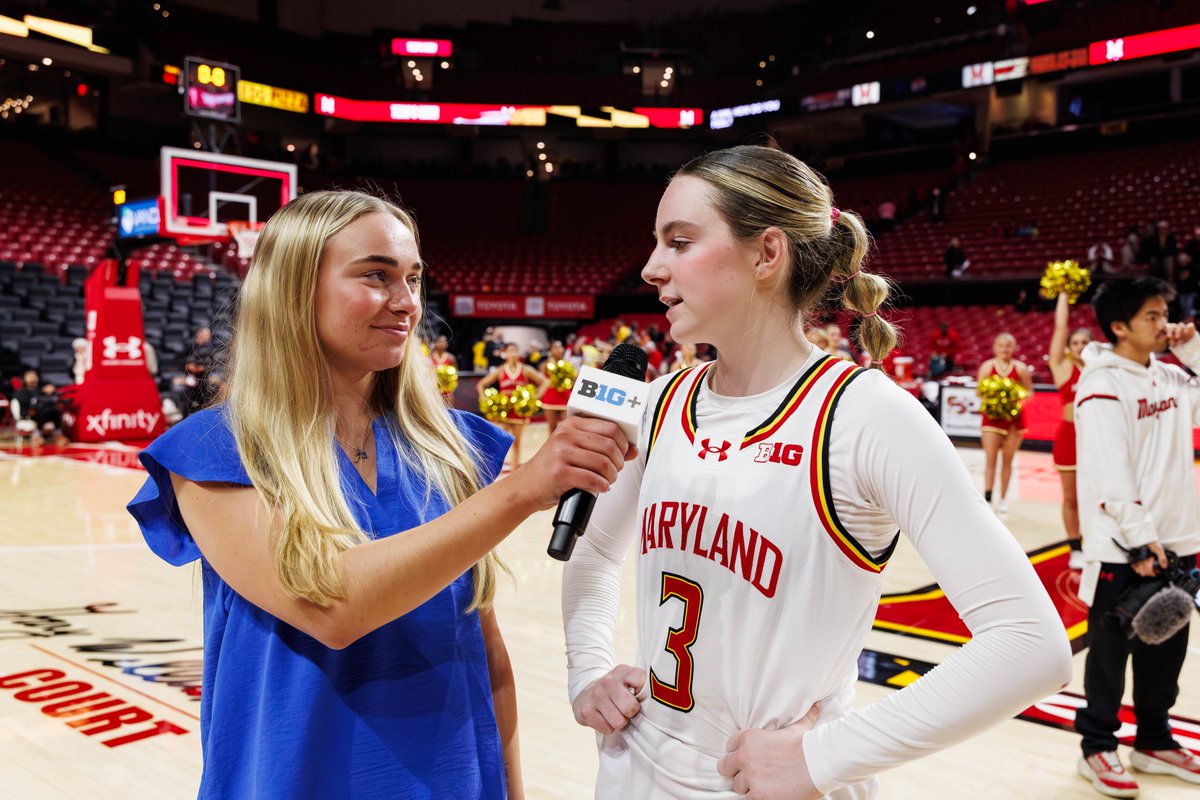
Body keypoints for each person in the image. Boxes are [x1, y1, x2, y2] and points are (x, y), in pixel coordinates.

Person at [560, 145, 1071, 800]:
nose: (652, 267)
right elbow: (593, 552)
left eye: (679, 242)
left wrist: (826, 755)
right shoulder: (657, 403)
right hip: (636, 774)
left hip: (778, 785)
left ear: (766, 254)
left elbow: (1031, 643)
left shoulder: (866, 416)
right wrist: (587, 672)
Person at [125, 191, 634, 800]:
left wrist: (513, 791)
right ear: (294, 290)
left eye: (413, 278)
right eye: (376, 275)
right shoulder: (215, 451)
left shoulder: (451, 446)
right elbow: (333, 609)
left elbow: (486, 651)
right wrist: (521, 491)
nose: (408, 302)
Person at [1073, 276, 1200, 796]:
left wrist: (1191, 350)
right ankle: (1097, 746)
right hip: (1125, 546)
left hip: (1179, 539)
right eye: (1152, 315)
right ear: (1120, 326)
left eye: (1164, 313)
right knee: (1110, 652)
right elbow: (1110, 475)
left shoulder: (1170, 375)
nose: (1164, 323)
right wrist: (1142, 540)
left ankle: (1153, 741)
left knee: (1165, 649)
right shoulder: (1101, 384)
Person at [1047, 292, 1092, 571]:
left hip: (1096, 439)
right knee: (1071, 497)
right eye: (1075, 342)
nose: (1080, 346)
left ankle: (1096, 541)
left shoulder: (1101, 368)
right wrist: (1064, 292)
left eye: (1085, 342)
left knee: (1096, 496)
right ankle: (1075, 547)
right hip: (1069, 437)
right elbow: (1060, 327)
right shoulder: (1063, 367)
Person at [976, 333, 1033, 514]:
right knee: (990, 460)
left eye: (1008, 346)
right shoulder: (987, 367)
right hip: (992, 418)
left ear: (1013, 348)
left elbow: (1029, 392)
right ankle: (987, 497)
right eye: (1001, 345)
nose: (1004, 349)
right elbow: (979, 391)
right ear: (995, 347)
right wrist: (995, 399)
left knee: (1008, 461)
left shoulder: (1020, 368)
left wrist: (1013, 398)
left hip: (1013, 420)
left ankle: (1002, 499)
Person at [476, 342, 550, 471]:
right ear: (505, 354)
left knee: (516, 442)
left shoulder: (525, 369)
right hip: (504, 410)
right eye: (509, 351)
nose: (512, 354)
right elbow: (481, 384)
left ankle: (514, 469)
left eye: (515, 351)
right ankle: (497, 466)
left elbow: (545, 381)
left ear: (518, 353)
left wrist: (535, 397)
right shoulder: (501, 370)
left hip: (518, 410)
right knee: (500, 441)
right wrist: (484, 397)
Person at [539, 340, 572, 434]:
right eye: (555, 347)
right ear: (551, 350)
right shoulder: (545, 365)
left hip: (565, 397)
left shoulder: (568, 364)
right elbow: (541, 380)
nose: (558, 349)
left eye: (560, 347)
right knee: (552, 427)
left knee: (567, 427)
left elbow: (572, 380)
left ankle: (565, 443)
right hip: (550, 398)